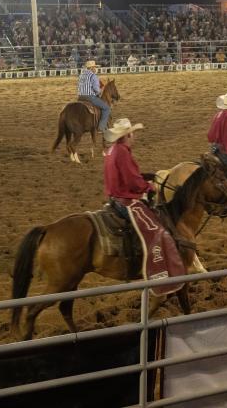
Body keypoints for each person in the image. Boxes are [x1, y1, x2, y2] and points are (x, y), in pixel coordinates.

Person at [104, 118, 184, 295]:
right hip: (126, 199)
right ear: (127, 136)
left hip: (114, 197)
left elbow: (127, 175)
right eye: (133, 135)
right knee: (156, 229)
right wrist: (148, 186)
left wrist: (143, 176)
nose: (135, 138)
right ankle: (157, 269)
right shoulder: (123, 152)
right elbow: (132, 181)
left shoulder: (112, 150)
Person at [77, 60, 109, 133]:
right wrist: (101, 91)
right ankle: (101, 127)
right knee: (106, 108)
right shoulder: (93, 76)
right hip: (89, 97)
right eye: (94, 67)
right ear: (91, 68)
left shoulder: (81, 75)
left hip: (80, 97)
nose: (95, 69)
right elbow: (96, 90)